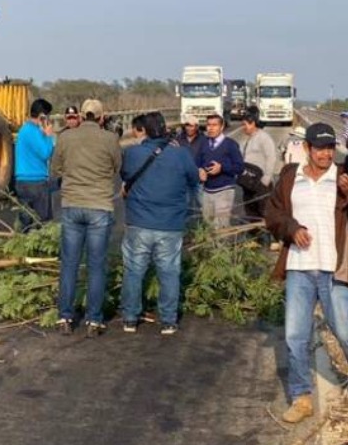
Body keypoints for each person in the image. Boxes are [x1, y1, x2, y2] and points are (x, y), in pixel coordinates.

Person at [265, 122, 348, 423]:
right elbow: (273, 213)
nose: (326, 153)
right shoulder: (291, 177)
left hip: (334, 267)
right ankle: (301, 397)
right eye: (320, 148)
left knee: (345, 331)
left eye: (330, 148)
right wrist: (292, 228)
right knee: (295, 336)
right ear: (307, 149)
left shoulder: (343, 178)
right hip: (300, 269)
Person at [119, 112, 201, 336]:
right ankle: (168, 320)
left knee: (134, 271)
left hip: (138, 222)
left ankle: (130, 318)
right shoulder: (181, 154)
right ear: (165, 129)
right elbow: (195, 181)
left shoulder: (133, 153)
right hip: (170, 224)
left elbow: (125, 176)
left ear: (143, 130)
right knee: (169, 272)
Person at [52, 98, 122, 337]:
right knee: (96, 266)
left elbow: (56, 169)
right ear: (102, 117)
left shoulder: (65, 138)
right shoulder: (111, 139)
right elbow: (116, 168)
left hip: (72, 204)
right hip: (99, 206)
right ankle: (94, 320)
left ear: (81, 116)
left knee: (69, 264)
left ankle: (64, 316)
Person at [14, 98, 56, 231]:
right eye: (47, 116)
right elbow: (46, 153)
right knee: (43, 224)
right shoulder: (33, 131)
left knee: (25, 223)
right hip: (36, 183)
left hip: (22, 182)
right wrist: (49, 136)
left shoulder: (23, 130)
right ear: (42, 116)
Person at [196, 113, 243, 229]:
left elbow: (239, 167)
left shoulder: (230, 145)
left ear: (221, 127)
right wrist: (200, 170)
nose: (210, 128)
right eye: (208, 125)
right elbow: (197, 162)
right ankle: (210, 247)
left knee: (221, 226)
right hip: (207, 191)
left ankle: (222, 247)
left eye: (214, 125)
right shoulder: (204, 143)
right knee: (208, 224)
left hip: (224, 190)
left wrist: (222, 168)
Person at [239, 111, 278, 227]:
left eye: (245, 124)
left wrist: (266, 180)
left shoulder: (264, 138)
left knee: (264, 212)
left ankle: (266, 238)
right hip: (249, 183)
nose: (243, 127)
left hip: (261, 183)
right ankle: (255, 237)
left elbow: (271, 157)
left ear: (253, 124)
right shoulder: (248, 138)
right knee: (251, 211)